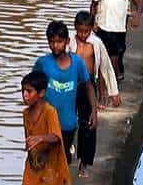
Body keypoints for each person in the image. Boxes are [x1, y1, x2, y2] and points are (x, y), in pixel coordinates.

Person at [33, 20, 97, 166]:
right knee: (46, 160)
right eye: (52, 42)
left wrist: (93, 111)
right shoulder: (42, 63)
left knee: (63, 156)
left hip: (68, 122)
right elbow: (31, 86)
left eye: (59, 41)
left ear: (67, 41)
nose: (55, 46)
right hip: (47, 121)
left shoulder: (77, 63)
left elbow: (88, 86)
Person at [68, 11, 121, 178]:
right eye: (80, 31)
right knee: (67, 120)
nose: (83, 35)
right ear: (75, 28)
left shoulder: (96, 44)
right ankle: (68, 149)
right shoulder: (69, 41)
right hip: (70, 83)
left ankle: (84, 163)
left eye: (86, 31)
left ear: (91, 29)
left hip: (88, 85)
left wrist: (113, 91)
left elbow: (105, 66)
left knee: (89, 123)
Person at [90, 0, 141, 80]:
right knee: (105, 54)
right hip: (102, 27)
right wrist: (92, 22)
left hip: (118, 29)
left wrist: (136, 15)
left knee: (117, 54)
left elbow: (136, 1)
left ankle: (117, 72)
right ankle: (107, 78)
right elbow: (94, 4)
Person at [21, 71, 72, 185]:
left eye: (29, 91)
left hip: (50, 167)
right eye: (23, 90)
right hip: (33, 166)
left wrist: (41, 138)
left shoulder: (49, 111)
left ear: (41, 93)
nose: (25, 95)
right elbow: (29, 139)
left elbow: (56, 137)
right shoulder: (26, 113)